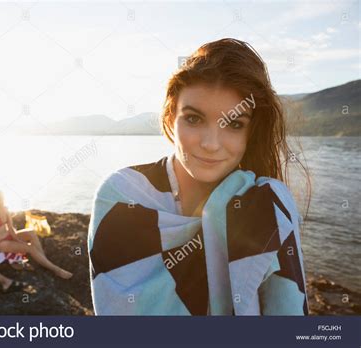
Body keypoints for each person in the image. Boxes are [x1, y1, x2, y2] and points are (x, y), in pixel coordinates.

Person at [88, 38, 310, 315]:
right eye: (194, 119)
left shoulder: (266, 205)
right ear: (170, 119)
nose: (211, 144)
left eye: (234, 124)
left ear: (251, 133)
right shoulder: (123, 196)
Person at [0, 190, 73, 279]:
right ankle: (56, 270)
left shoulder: (5, 209)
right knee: (29, 248)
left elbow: (11, 229)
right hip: (2, 243)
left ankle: (44, 260)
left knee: (31, 232)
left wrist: (18, 240)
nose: (1, 201)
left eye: (2, 198)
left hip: (9, 236)